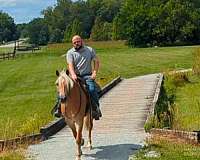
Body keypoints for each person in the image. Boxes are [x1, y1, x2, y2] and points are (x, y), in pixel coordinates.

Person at [53, 35, 102, 120]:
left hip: (87, 75)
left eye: (78, 41)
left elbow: (96, 61)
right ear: (72, 44)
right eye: (74, 42)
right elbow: (70, 65)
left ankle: (95, 109)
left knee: (92, 89)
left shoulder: (89, 50)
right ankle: (58, 108)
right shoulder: (70, 53)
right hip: (75, 76)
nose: (76, 43)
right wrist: (73, 74)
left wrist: (94, 72)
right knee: (63, 87)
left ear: (81, 41)